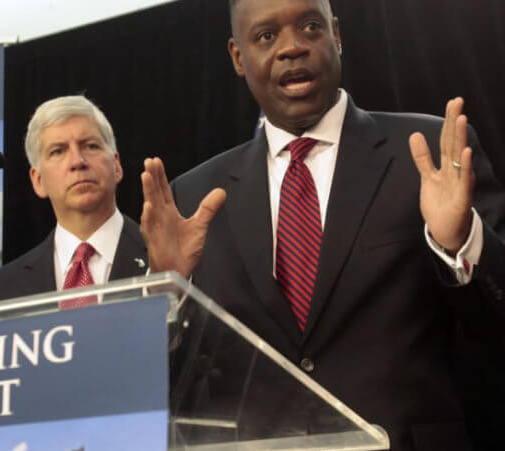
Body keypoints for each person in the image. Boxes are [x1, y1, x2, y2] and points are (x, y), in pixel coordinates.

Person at [140, 0, 505, 449]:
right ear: (238, 57)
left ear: (337, 35)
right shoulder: (195, 197)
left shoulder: (425, 154)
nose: (292, 47)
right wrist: (169, 291)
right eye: (266, 36)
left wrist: (460, 243)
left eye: (310, 26)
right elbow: (167, 384)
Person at [0, 95, 147, 306]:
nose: (77, 161)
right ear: (38, 181)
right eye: (58, 151)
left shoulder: (169, 258)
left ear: (116, 166)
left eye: (91, 146)